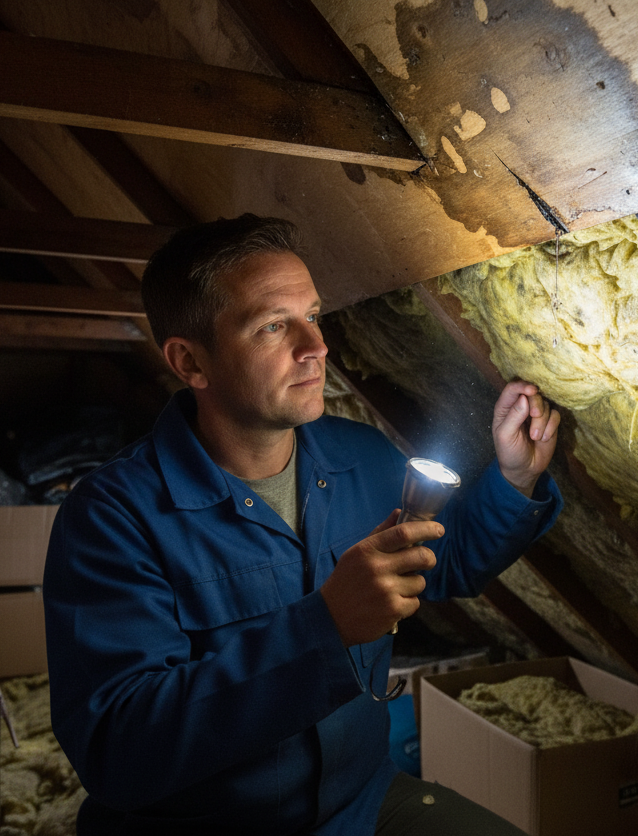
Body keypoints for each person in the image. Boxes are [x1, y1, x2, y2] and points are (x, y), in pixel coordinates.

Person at [43, 214, 563, 835]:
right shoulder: (112, 518)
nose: (315, 347)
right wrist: (326, 626)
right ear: (191, 362)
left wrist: (513, 480)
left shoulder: (361, 458)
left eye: (312, 316)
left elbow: (439, 563)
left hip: (359, 804)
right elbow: (118, 750)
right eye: (271, 326)